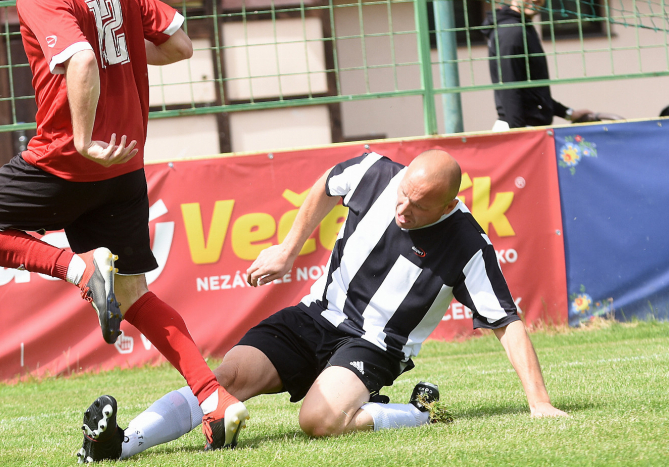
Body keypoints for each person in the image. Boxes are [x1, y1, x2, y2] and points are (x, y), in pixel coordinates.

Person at [0, 0, 247, 451]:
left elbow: (79, 59)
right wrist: (122, 56)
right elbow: (180, 44)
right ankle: (213, 398)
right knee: (133, 296)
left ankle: (78, 271)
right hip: (126, 165)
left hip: (65, 160)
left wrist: (82, 137)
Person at [77, 149, 568, 462]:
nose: (402, 210)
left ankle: (421, 411)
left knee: (317, 422)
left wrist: (538, 403)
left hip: (374, 345)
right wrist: (287, 249)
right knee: (226, 378)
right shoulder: (376, 171)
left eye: (418, 207)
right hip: (317, 314)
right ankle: (118, 446)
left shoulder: (467, 244)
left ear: (447, 207)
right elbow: (326, 186)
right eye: (402, 197)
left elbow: (508, 323)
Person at [483, 0, 595, 130]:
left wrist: (568, 113)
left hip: (525, 127)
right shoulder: (512, 32)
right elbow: (510, 89)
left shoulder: (522, 26)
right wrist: (520, 135)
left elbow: (533, 92)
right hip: (519, 129)